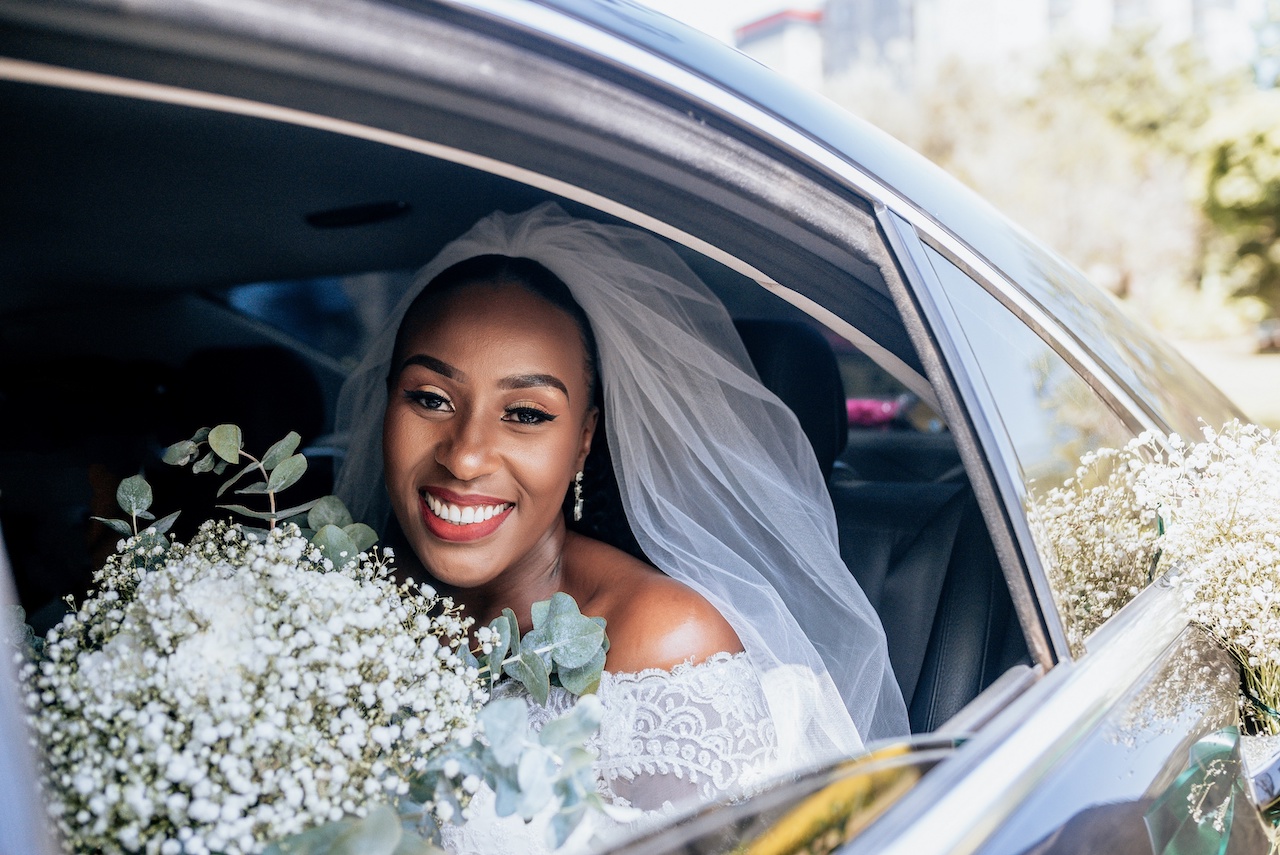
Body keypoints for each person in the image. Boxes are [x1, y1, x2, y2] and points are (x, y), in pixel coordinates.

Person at [334, 203, 908, 852]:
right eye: (431, 398)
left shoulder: (666, 645)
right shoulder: (337, 603)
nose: (465, 455)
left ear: (583, 439)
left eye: (524, 412)